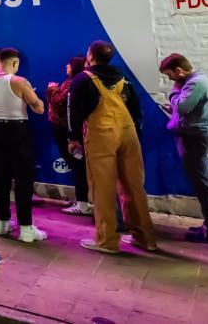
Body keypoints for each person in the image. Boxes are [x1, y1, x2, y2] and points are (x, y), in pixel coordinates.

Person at [68, 40, 157, 254]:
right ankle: (145, 238)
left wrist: (72, 138)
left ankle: (107, 240)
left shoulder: (82, 79)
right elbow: (137, 110)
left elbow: (73, 112)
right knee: (134, 186)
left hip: (101, 135)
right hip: (128, 134)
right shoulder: (123, 78)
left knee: (103, 188)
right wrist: (135, 134)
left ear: (90, 56)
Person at [0, 48, 47, 243]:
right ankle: (26, 229)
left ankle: (2, 223)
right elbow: (39, 108)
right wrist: (31, 95)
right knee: (23, 180)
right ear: (15, 63)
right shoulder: (19, 81)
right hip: (18, 132)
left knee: (1, 178)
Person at [158, 53, 208, 243]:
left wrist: (173, 94)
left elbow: (182, 107)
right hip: (192, 134)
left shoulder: (196, 82)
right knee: (200, 181)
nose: (169, 79)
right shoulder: (193, 82)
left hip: (194, 137)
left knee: (203, 183)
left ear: (179, 70)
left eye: (169, 75)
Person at [46, 56, 92, 216]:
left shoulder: (74, 83)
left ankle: (83, 203)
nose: (66, 66)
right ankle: (81, 200)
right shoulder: (75, 82)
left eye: (70, 64)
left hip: (68, 131)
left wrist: (51, 90)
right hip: (66, 130)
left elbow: (60, 103)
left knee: (78, 165)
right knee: (76, 165)